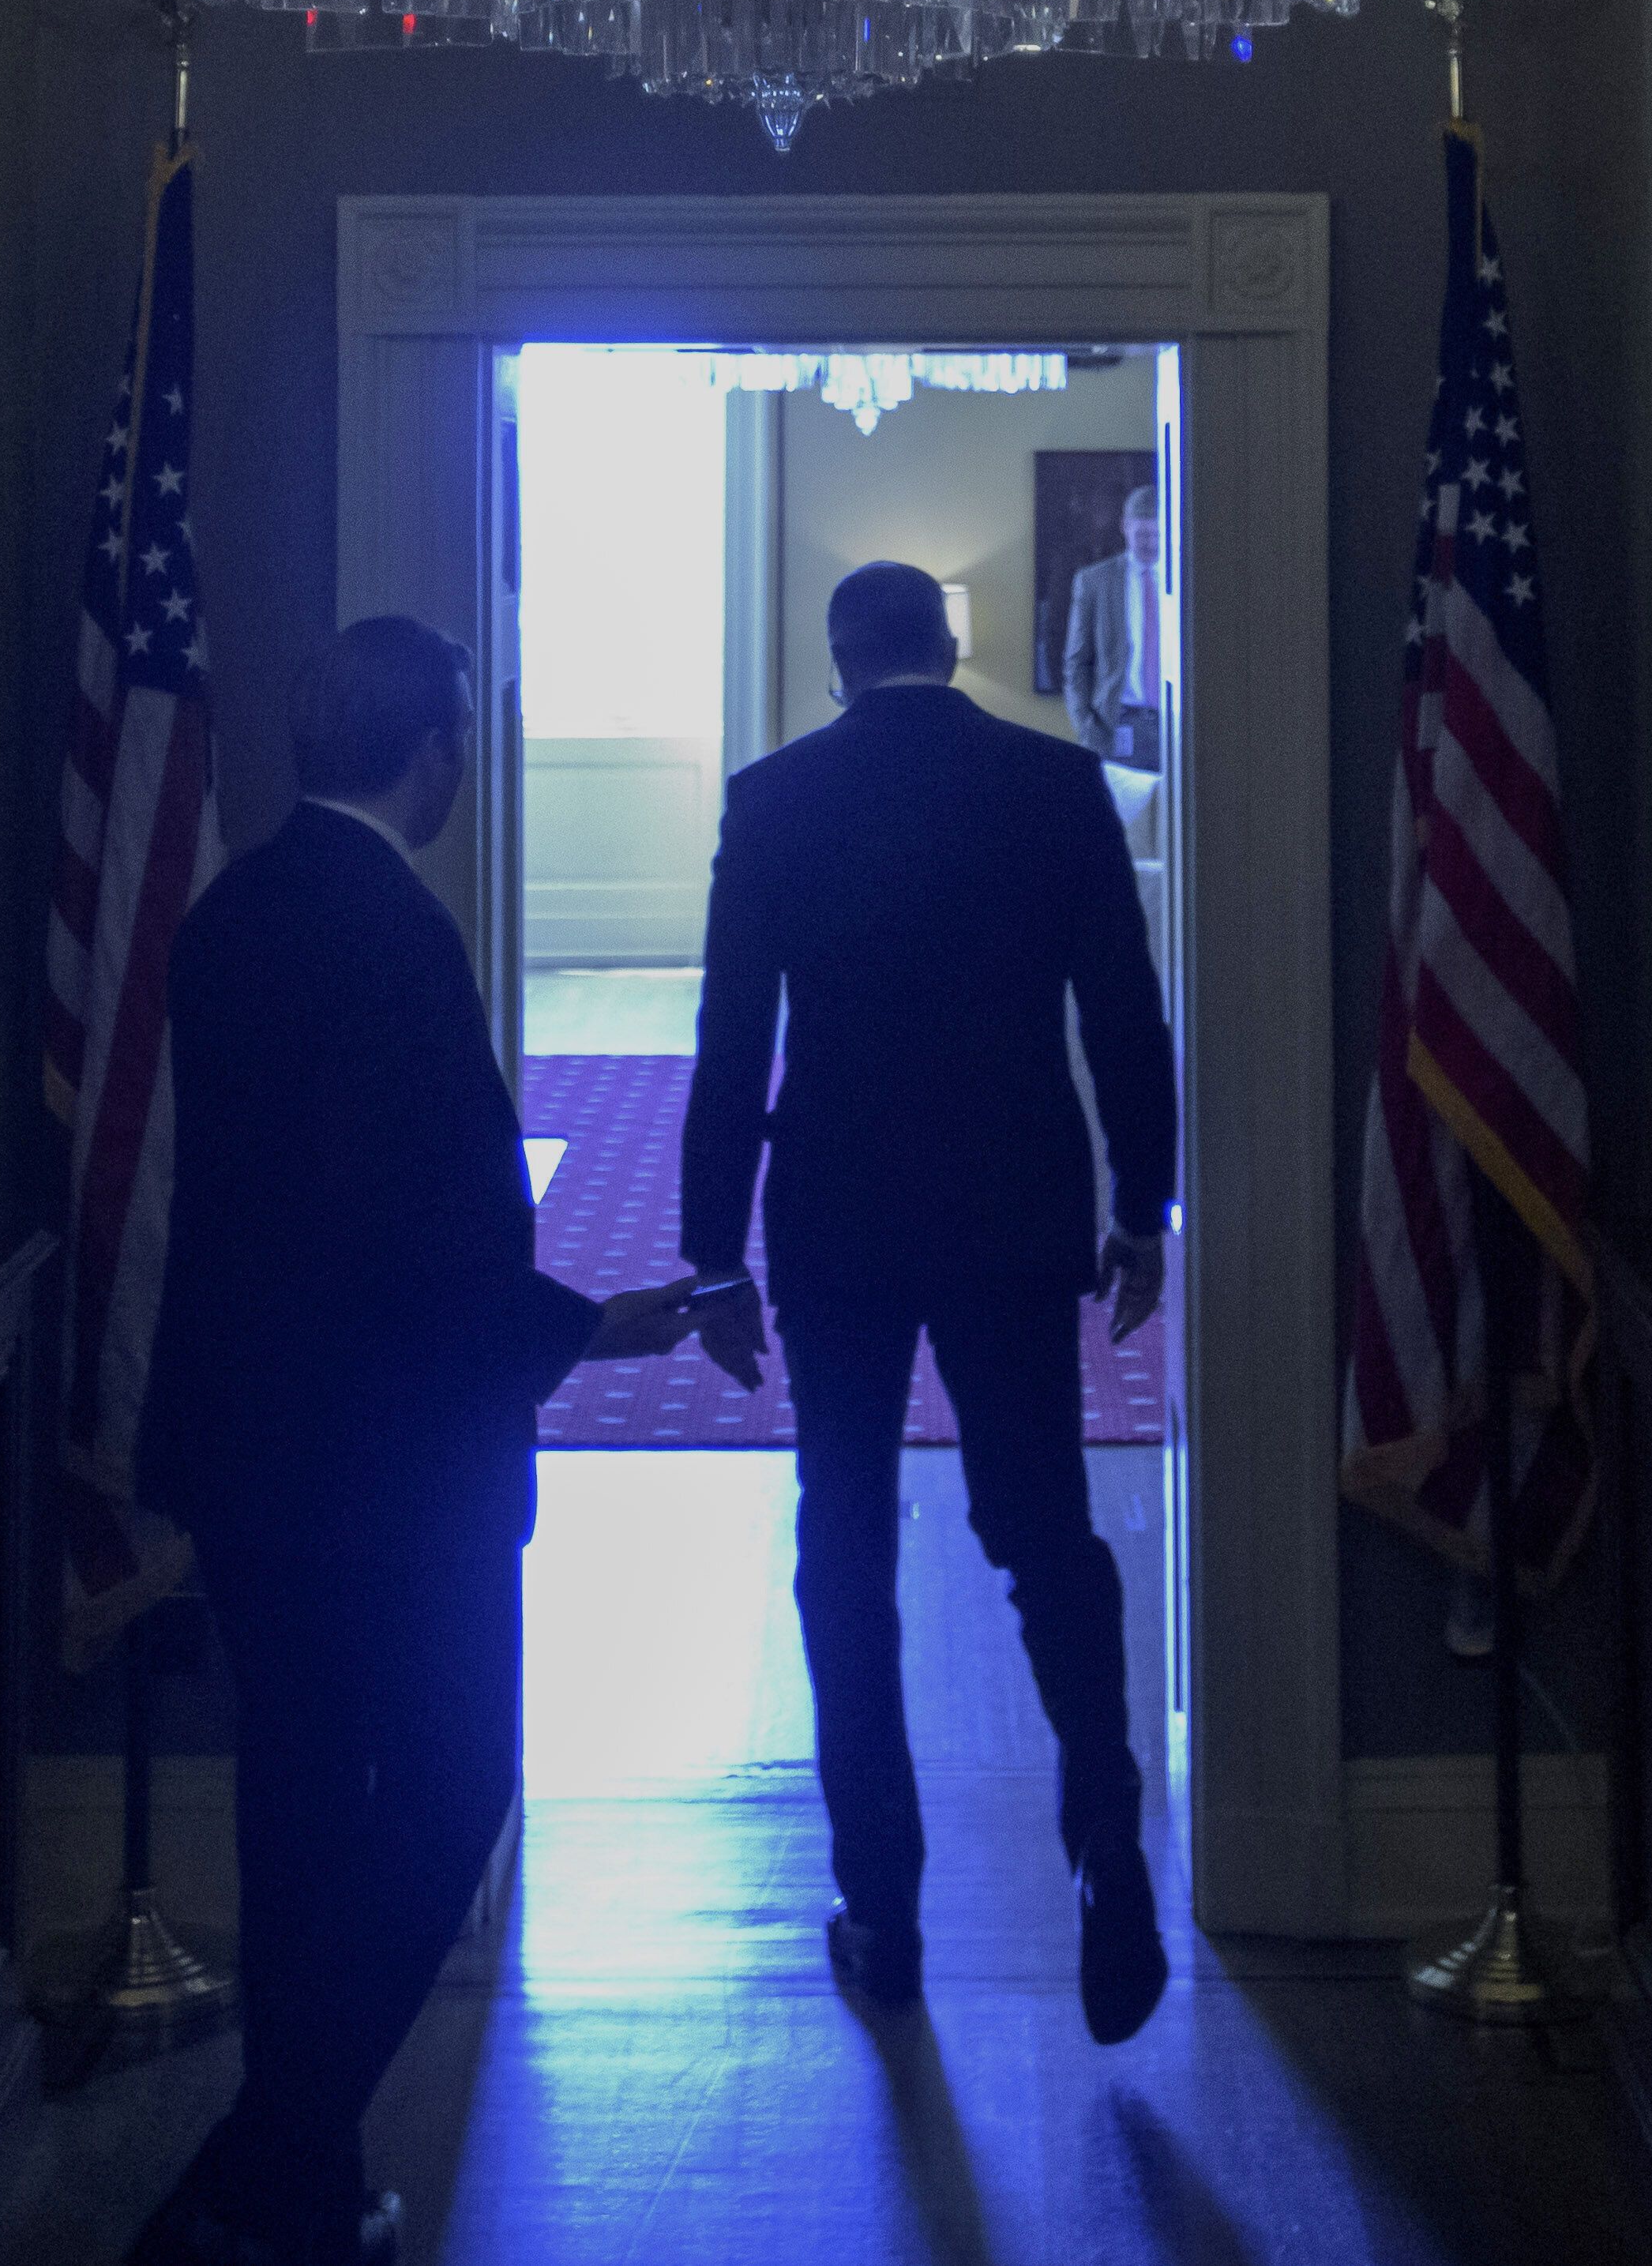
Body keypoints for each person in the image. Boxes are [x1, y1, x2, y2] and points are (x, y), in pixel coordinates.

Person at [132, 616, 700, 2266]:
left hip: (249, 1449)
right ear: (432, 748)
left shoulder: (232, 909)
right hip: (390, 1466)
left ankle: (296, 2195)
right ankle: (261, 2162)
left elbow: (281, 1208)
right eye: (461, 733)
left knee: (301, 1801)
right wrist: (586, 1321)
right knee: (451, 1793)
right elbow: (415, 1232)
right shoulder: (394, 936)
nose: (466, 758)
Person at [683, 558, 1181, 2042]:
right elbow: (1125, 1014)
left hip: (835, 1215)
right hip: (1015, 1205)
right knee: (1041, 1530)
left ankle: (883, 1911)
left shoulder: (774, 798)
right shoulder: (1051, 782)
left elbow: (728, 1044)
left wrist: (712, 1254)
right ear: (950, 649)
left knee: (841, 1542)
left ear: (838, 662)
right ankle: (1107, 1850)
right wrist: (1140, 1211)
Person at [1054, 480, 1166, 771]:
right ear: (1125, 527)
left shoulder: (1186, 580)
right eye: (1142, 533)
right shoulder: (1095, 581)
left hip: (1178, 726)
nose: (1150, 542)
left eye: (1157, 533)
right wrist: (1087, 729)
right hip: (1116, 726)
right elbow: (1076, 664)